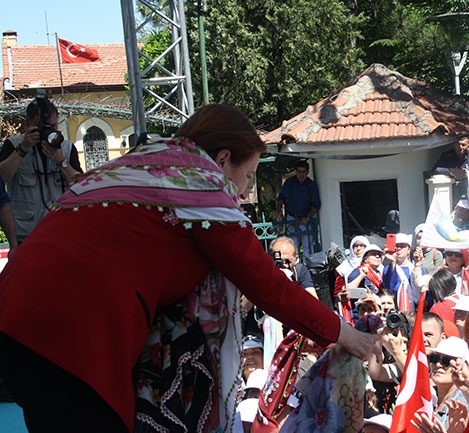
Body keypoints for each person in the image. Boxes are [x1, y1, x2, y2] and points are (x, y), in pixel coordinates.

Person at [0, 104, 381, 433]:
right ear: (222, 160)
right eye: (247, 176)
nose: (246, 192)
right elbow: (266, 284)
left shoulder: (138, 164)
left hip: (15, 319)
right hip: (73, 338)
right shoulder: (198, 185)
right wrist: (343, 333)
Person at [0, 90, 82, 243]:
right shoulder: (14, 145)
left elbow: (80, 186)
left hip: (60, 231)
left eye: (52, 126)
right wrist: (23, 149)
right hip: (25, 234)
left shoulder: (66, 148)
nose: (48, 131)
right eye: (42, 127)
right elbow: (1, 179)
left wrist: (62, 162)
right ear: (28, 124)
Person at [272, 160, 321, 256]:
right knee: (293, 249)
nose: (301, 174)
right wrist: (277, 211)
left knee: (308, 249)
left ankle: (308, 269)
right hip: (291, 218)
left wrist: (307, 218)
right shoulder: (289, 183)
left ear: (307, 172)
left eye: (303, 172)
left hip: (306, 219)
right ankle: (295, 269)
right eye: (299, 171)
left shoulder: (311, 185)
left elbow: (316, 205)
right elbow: (281, 198)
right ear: (295, 171)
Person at [382, 233, 416, 311]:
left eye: (403, 246)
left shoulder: (415, 268)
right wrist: (393, 261)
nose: (399, 248)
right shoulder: (388, 269)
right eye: (396, 246)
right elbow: (390, 288)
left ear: (409, 250)